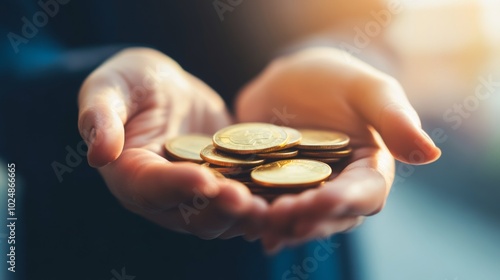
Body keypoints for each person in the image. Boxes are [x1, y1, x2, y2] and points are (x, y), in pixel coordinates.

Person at [1, 1, 440, 279]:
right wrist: (80, 91)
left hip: (304, 249)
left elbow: (358, 17)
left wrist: (342, 56)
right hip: (86, 234)